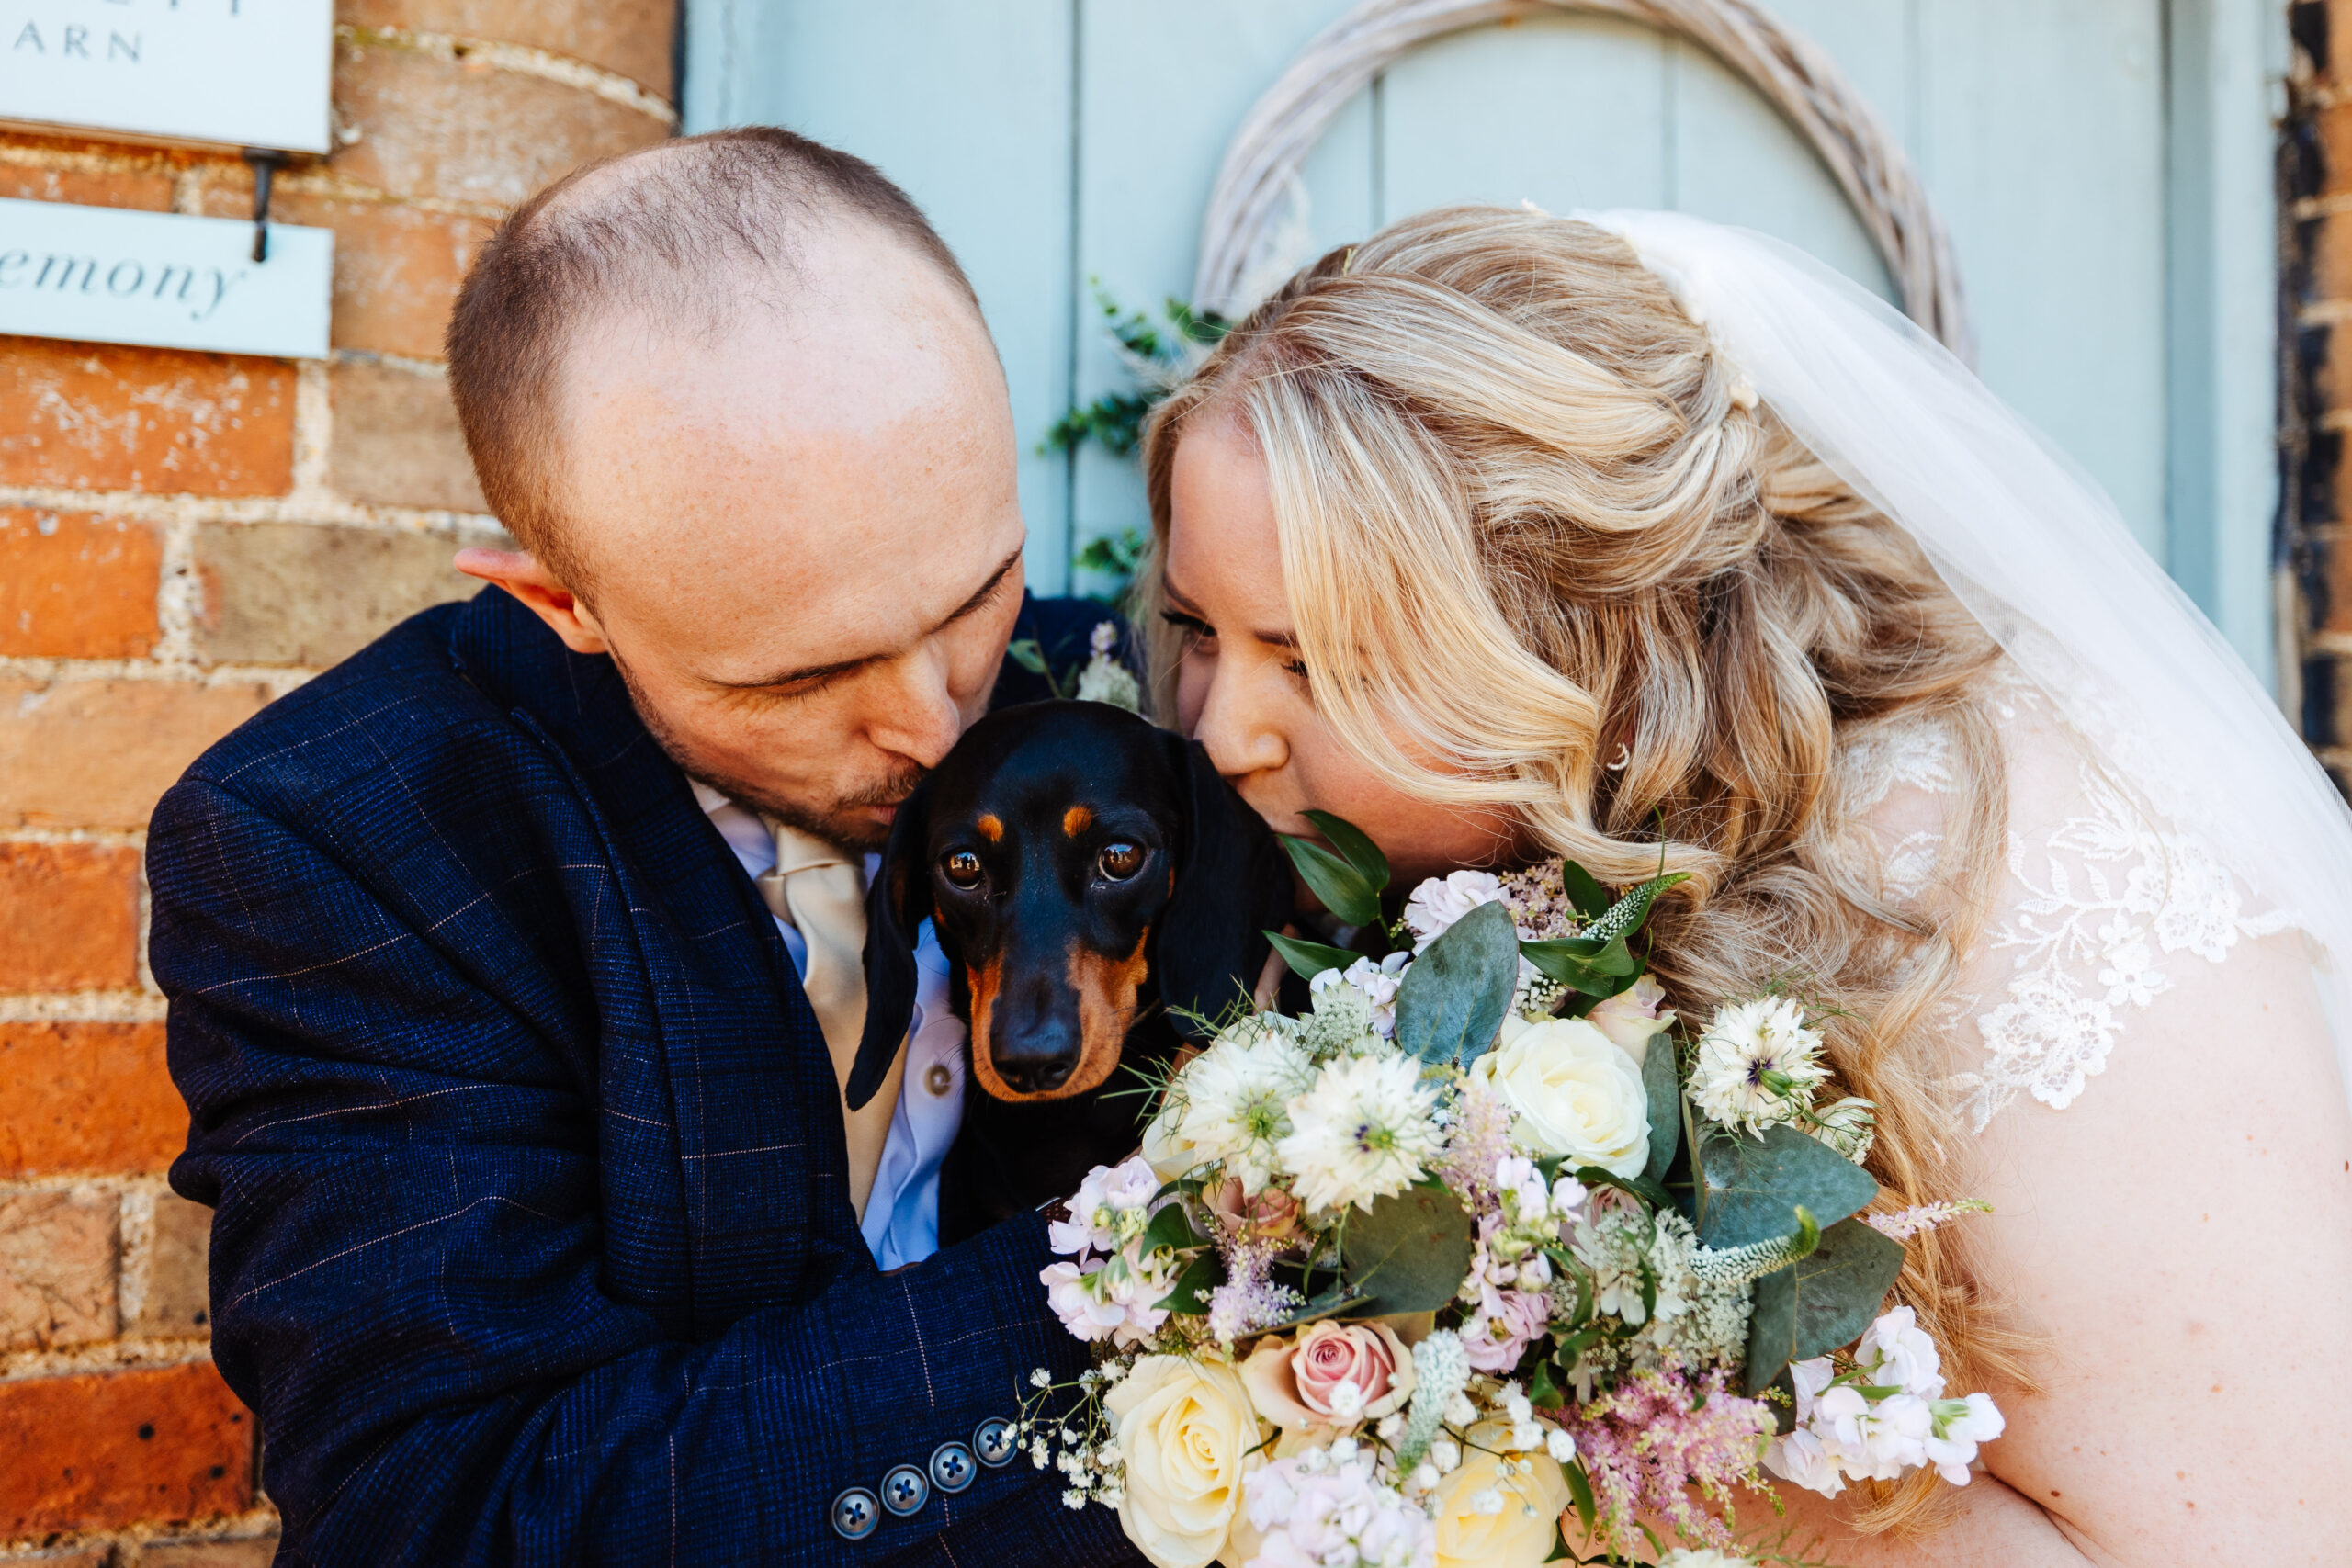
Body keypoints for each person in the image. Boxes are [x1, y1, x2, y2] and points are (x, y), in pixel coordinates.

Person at [1136, 205, 2352, 1562]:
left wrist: (1589, 1421)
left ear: (1564, 638)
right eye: (1196, 628)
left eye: (1313, 663)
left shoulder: (2010, 889)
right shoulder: (1323, 864)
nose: (1216, 730)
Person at [149, 128, 1143, 1564]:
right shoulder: (338, 838)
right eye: (800, 682)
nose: (937, 731)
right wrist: (1169, 1263)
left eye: (983, 591)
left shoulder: (1116, 701)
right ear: (561, 600)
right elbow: (450, 1513)